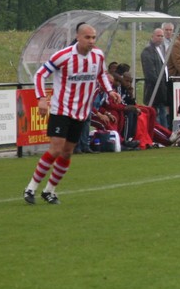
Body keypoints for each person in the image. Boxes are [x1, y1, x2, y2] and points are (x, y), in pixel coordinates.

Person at [23, 23, 121, 204]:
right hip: (61, 110)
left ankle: (49, 191)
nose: (91, 41)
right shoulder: (63, 56)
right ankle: (31, 188)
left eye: (93, 37)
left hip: (81, 112)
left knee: (67, 153)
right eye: (87, 37)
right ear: (78, 37)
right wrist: (41, 98)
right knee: (56, 149)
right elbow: (40, 75)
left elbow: (101, 74)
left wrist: (110, 91)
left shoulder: (98, 55)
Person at [141, 28, 172, 128]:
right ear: (152, 36)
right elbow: (150, 73)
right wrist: (160, 85)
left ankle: (165, 134)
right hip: (153, 90)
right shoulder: (147, 51)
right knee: (156, 116)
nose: (160, 38)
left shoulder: (161, 49)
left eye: (162, 36)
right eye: (158, 36)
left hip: (162, 88)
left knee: (163, 114)